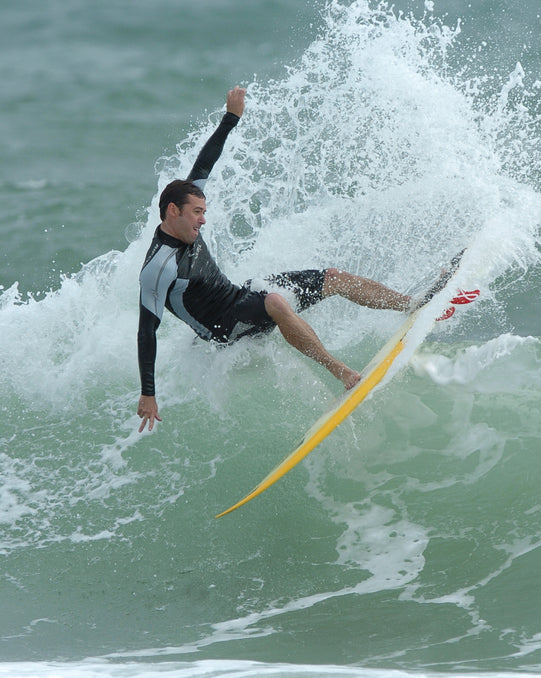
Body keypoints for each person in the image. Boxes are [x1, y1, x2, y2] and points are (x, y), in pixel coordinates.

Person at [137, 87, 413, 432]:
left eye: (204, 211)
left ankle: (411, 304)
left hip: (239, 297)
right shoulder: (158, 267)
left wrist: (231, 118)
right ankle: (341, 371)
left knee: (333, 277)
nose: (203, 220)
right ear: (173, 211)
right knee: (275, 302)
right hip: (224, 330)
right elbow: (147, 329)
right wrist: (148, 393)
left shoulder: (186, 205)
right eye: (197, 213)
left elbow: (205, 161)